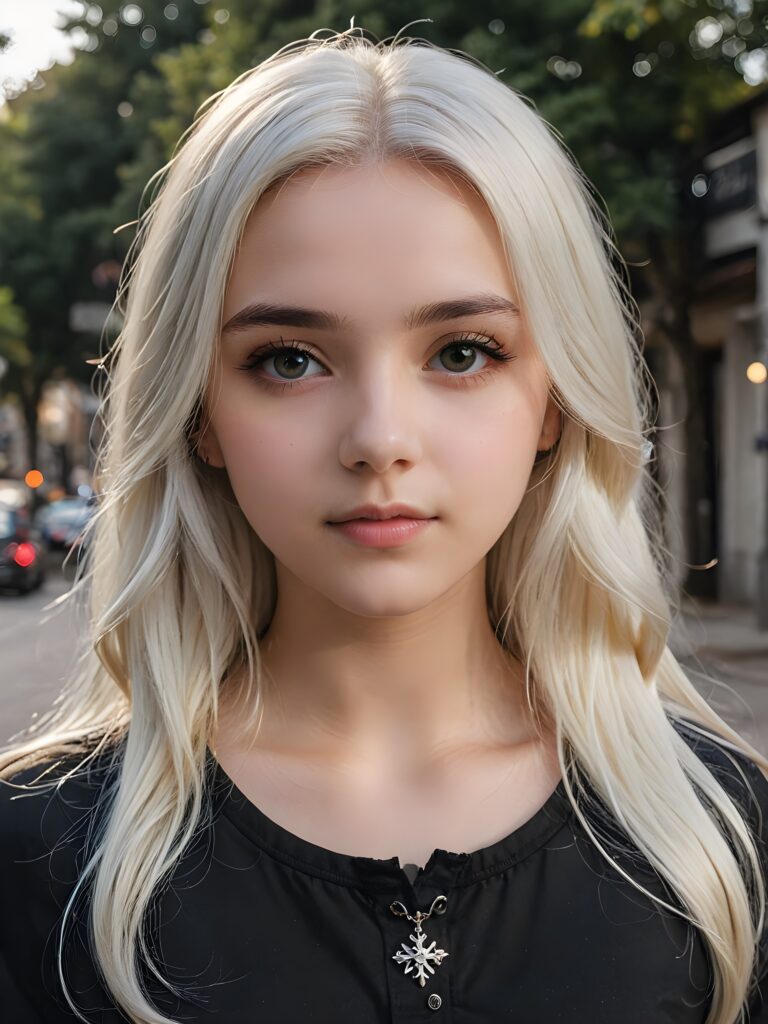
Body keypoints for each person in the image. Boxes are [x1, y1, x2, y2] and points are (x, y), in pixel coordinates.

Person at [1, 24, 766, 1024]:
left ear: (555, 400)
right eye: (289, 358)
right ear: (199, 415)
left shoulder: (721, 837)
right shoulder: (39, 858)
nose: (379, 439)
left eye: (461, 352)